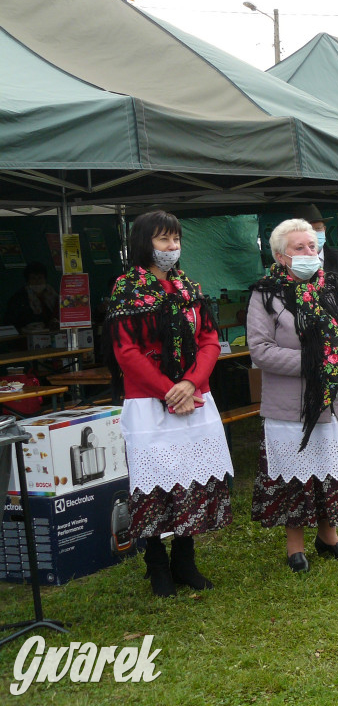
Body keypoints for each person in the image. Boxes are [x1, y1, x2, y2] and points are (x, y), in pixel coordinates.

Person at [104, 210, 233, 597]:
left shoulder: (188, 287)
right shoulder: (126, 289)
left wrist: (190, 382)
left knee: (193, 477)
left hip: (194, 396)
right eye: (163, 240)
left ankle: (185, 559)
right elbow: (126, 352)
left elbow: (210, 340)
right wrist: (168, 389)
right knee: (153, 485)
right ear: (145, 243)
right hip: (149, 401)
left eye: (176, 240)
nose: (171, 248)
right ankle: (156, 563)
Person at [247, 218, 338, 572]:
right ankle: (295, 546)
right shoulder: (265, 293)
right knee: (296, 474)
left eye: (313, 247)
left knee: (334, 470)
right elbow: (260, 350)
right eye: (299, 248)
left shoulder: (335, 286)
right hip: (293, 406)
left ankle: (328, 536)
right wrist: (314, 362)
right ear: (280, 256)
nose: (309, 253)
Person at [4, 261, 59, 331]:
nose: (37, 281)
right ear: (28, 281)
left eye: (40, 278)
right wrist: (24, 328)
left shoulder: (53, 295)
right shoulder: (19, 298)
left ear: (45, 279)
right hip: (27, 337)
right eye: (33, 278)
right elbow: (9, 322)